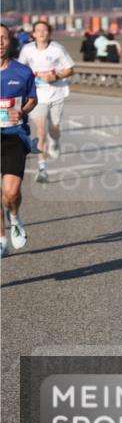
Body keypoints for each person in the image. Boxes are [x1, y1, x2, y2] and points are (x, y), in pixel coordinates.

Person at [17, 20, 74, 183]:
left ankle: (54, 141)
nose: (41, 33)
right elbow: (20, 69)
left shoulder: (57, 49)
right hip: (37, 96)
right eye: (38, 30)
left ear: (49, 33)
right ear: (33, 34)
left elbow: (70, 69)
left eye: (44, 30)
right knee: (40, 131)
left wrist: (55, 76)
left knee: (54, 129)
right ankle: (42, 169)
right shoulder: (27, 50)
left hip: (56, 93)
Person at [0, 24, 37, 255]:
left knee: (10, 192)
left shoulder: (22, 72)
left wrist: (22, 111)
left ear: (10, 41)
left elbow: (33, 99)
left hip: (14, 136)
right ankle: (1, 237)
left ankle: (14, 217)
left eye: (2, 38)